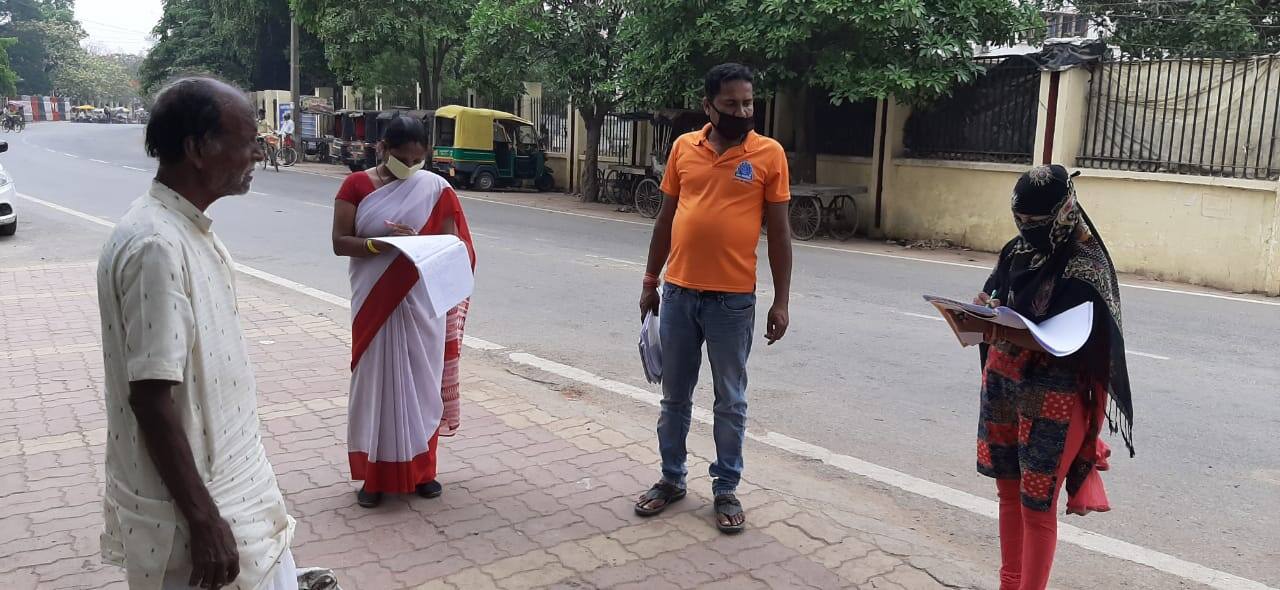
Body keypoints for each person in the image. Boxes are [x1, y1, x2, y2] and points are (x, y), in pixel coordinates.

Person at [96, 77, 296, 590]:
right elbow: (151, 397)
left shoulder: (185, 229)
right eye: (247, 138)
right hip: (207, 515)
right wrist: (205, 520)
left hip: (240, 492)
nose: (258, 150)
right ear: (198, 149)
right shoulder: (155, 245)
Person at [956, 164, 1134, 590]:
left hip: (1055, 399)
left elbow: (1090, 342)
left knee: (1037, 507)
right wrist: (980, 309)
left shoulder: (1086, 265)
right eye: (1021, 222)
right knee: (1007, 496)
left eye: (1037, 223)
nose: (1027, 230)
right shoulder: (1016, 252)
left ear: (1064, 211)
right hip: (1003, 387)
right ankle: (1008, 583)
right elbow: (997, 295)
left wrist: (1028, 336)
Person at [634, 63, 793, 534]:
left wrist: (781, 300)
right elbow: (665, 220)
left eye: (748, 103)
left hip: (733, 302)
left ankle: (726, 488)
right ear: (709, 106)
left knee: (730, 400)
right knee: (674, 398)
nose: (743, 111)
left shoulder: (769, 154)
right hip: (679, 295)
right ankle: (671, 479)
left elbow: (780, 234)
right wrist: (649, 280)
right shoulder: (684, 147)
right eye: (731, 104)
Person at [331, 115, 476, 508]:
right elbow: (340, 242)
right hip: (373, 301)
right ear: (382, 149)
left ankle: (423, 471)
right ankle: (374, 478)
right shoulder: (356, 185)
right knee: (374, 385)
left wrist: (419, 245)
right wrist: (381, 245)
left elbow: (451, 246)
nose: (411, 166)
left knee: (421, 385)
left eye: (418, 158)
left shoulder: (435, 188)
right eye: (403, 157)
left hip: (419, 301)